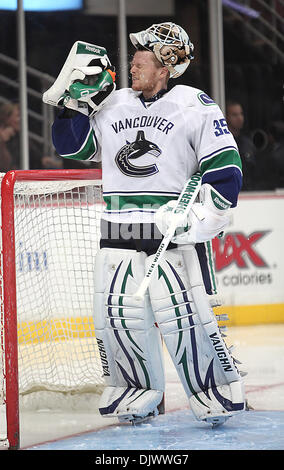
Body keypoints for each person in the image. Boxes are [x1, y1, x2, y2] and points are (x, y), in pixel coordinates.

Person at [43, 23, 245, 427]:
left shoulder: (196, 105)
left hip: (173, 237)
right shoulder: (114, 103)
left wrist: (202, 218)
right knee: (118, 319)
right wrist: (74, 105)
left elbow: (226, 170)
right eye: (134, 55)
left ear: (167, 64)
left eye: (143, 56)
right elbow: (73, 148)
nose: (132, 63)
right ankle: (136, 390)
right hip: (117, 233)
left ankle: (212, 389)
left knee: (190, 318)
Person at [226, 99, 257, 191]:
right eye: (235, 115)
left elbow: (254, 172)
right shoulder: (222, 143)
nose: (240, 118)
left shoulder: (247, 143)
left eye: (241, 114)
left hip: (249, 192)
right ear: (226, 117)